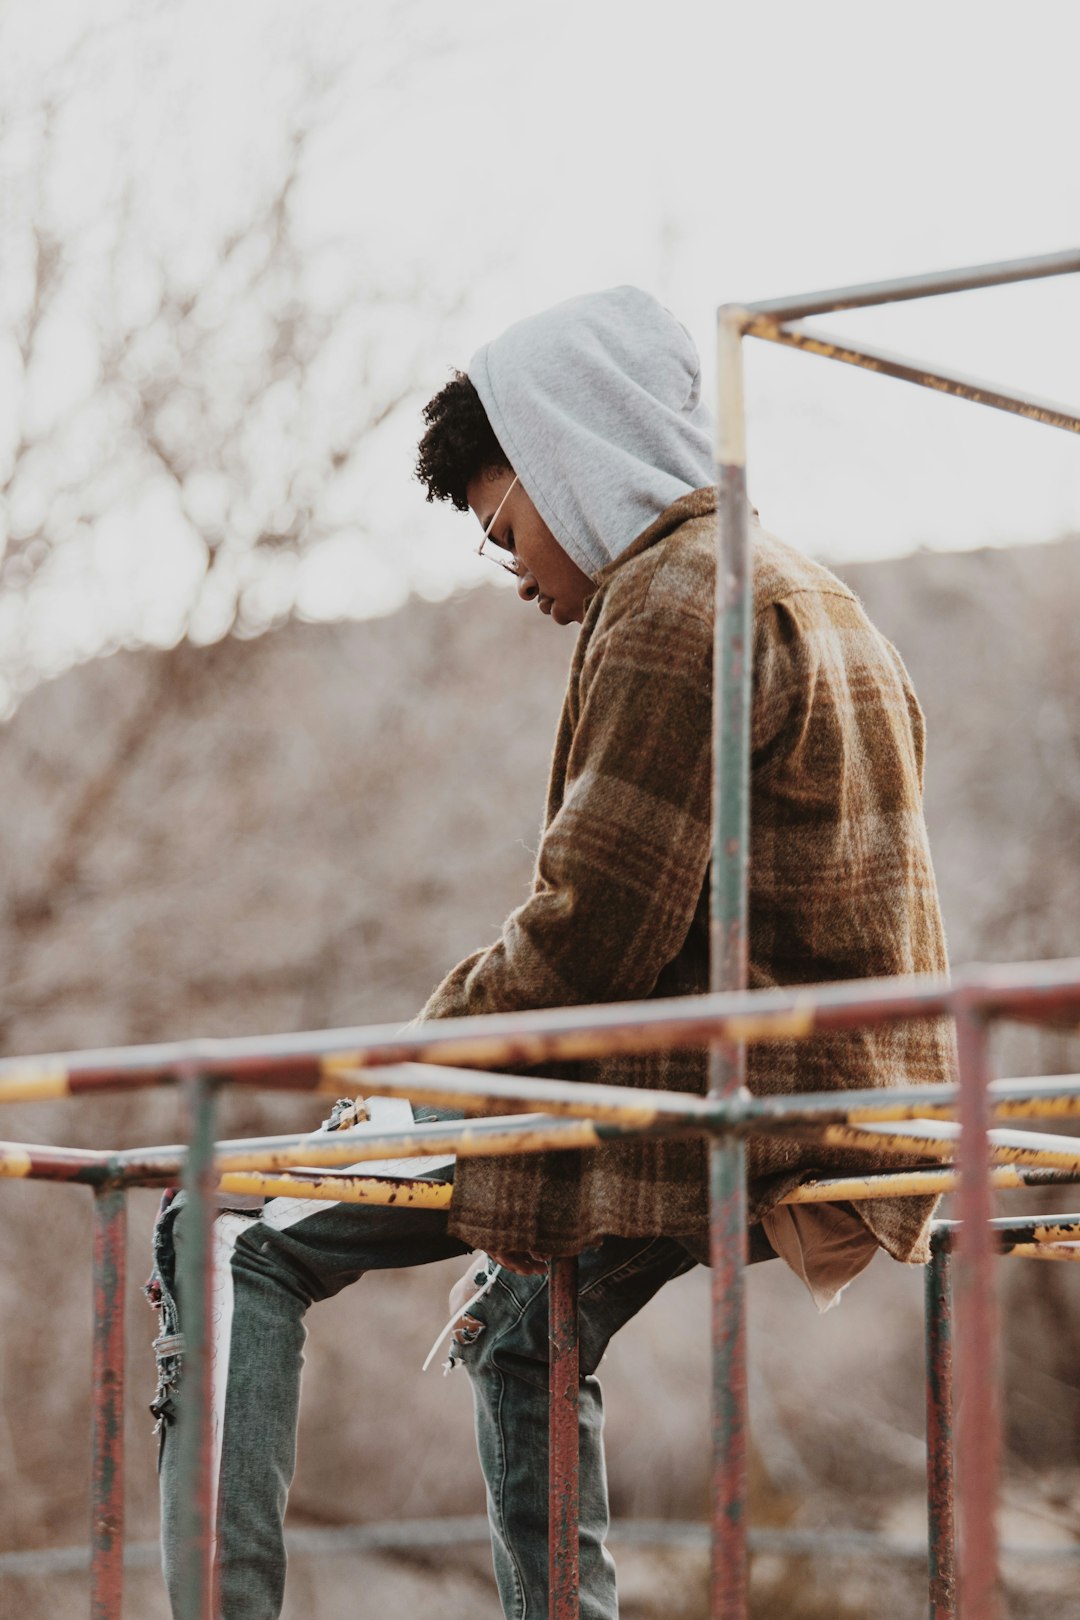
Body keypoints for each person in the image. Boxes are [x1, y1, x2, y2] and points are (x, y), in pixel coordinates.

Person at [150, 286, 955, 1619]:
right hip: (856, 1090)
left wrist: (416, 1067)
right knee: (519, 1325)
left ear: (573, 464)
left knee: (224, 1225)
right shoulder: (809, 584)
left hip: (718, 1099)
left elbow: (593, 930)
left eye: (506, 524)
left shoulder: (672, 601)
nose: (514, 565)